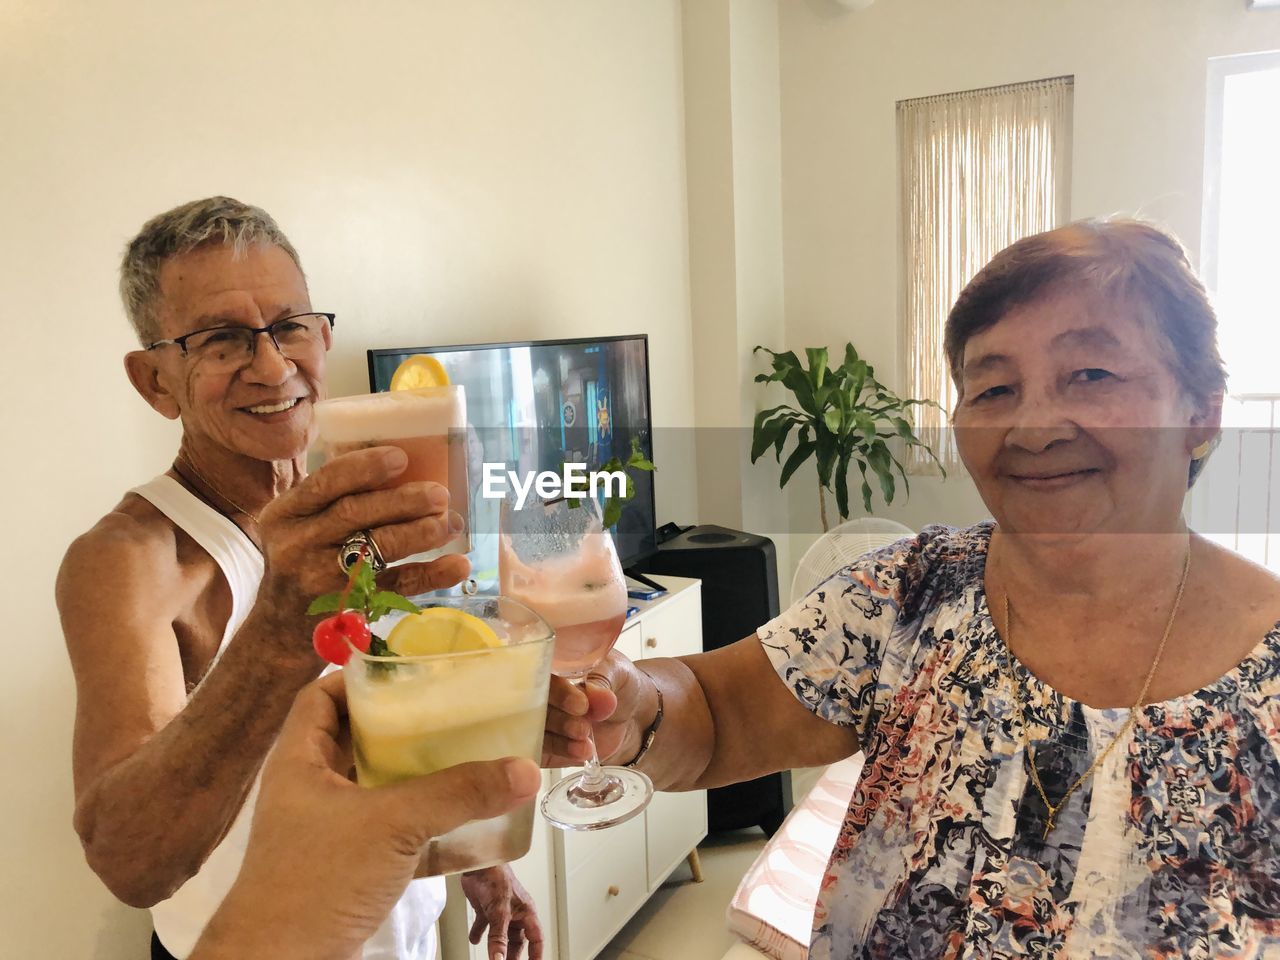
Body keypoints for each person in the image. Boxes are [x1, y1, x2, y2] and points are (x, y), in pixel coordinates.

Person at [546, 219, 1280, 957]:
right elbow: (714, 712)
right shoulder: (908, 594)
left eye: (1091, 374)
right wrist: (634, 705)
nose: (1032, 427)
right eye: (993, 387)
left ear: (1202, 408)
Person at [58, 197, 541, 960]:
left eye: (289, 327)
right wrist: (282, 626)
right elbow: (129, 856)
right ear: (156, 381)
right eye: (221, 341)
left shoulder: (350, 503)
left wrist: (478, 851)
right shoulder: (130, 557)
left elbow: (397, 719)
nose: (276, 367)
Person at [187, 672, 543, 960]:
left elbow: (407, 744)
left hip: (409, 936)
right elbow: (141, 869)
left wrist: (474, 852)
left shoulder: (367, 592)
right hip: (227, 942)